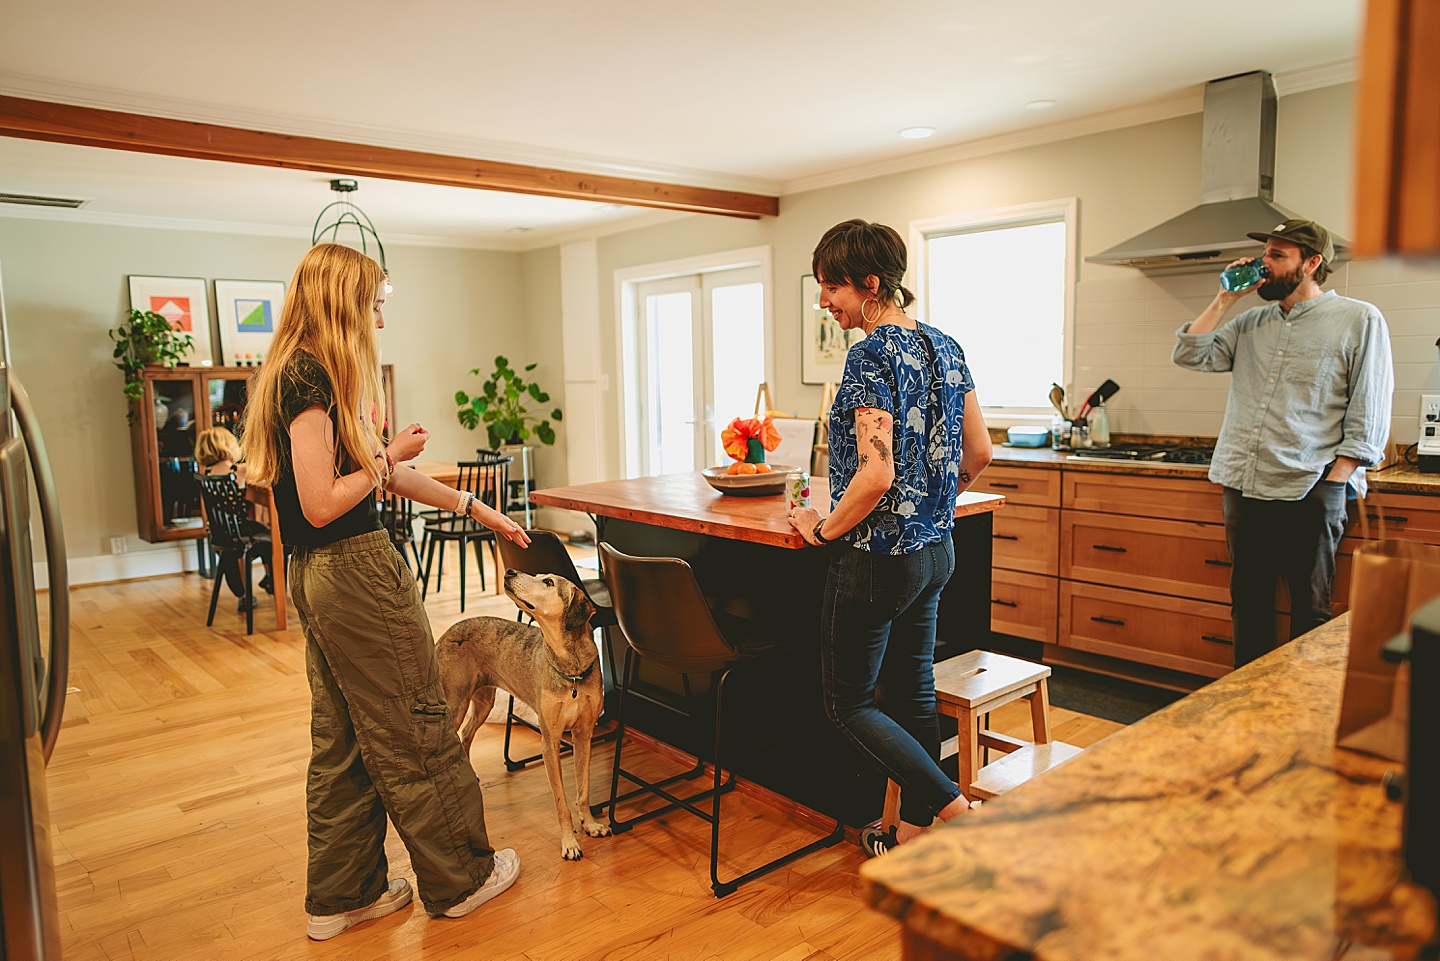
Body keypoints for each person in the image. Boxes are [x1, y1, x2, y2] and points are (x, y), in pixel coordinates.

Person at [241, 243, 531, 940]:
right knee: (416, 722)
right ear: (342, 301)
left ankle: (344, 895)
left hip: (321, 574)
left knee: (342, 736)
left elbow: (380, 477)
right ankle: (462, 877)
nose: (378, 317)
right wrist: (386, 457)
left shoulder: (306, 372)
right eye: (372, 302)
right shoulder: (308, 376)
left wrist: (474, 507)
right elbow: (321, 501)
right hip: (352, 568)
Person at [786, 219, 993, 857]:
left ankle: (956, 812)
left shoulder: (870, 355)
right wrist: (931, 502)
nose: (824, 301)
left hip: (877, 561)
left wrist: (822, 528)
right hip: (936, 552)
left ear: (871, 285)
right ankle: (911, 833)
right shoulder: (946, 345)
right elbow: (980, 450)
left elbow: (875, 474)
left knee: (848, 705)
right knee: (913, 692)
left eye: (833, 288)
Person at [1173, 218, 1393, 667]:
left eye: (1277, 255)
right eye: (1264, 254)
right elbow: (1189, 354)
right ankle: (1244, 710)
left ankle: (1297, 722)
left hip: (1311, 486)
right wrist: (1224, 298)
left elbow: (1370, 406)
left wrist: (1336, 480)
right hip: (1243, 483)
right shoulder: (1251, 322)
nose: (1263, 264)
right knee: (1248, 606)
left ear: (1311, 263)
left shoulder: (1358, 319)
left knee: (1309, 614)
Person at [193, 425, 273, 604]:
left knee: (254, 537)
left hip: (219, 531)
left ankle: (244, 595)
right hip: (240, 527)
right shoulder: (238, 470)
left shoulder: (205, 473)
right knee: (271, 537)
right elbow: (264, 478)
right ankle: (271, 577)